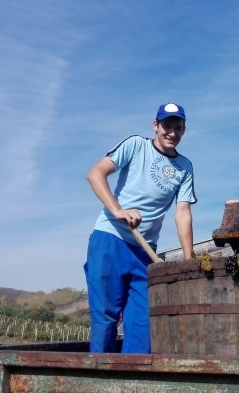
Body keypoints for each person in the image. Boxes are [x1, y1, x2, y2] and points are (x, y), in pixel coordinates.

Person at [84, 102, 196, 353]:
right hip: (110, 241)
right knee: (105, 320)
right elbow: (96, 174)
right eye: (167, 126)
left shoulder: (185, 167)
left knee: (143, 326)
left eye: (178, 128)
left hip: (145, 252)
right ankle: (98, 376)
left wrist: (189, 260)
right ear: (155, 125)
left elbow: (183, 213)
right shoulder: (136, 145)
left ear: (184, 130)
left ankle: (131, 377)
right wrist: (118, 210)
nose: (172, 133)